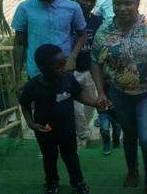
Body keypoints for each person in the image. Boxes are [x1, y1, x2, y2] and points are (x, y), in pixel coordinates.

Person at [91, 0, 147, 194]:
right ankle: (132, 171)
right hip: (121, 94)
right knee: (129, 135)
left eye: (128, 3)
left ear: (137, 3)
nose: (123, 8)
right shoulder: (104, 30)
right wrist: (100, 92)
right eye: (118, 3)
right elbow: (95, 61)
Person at [19, 44, 104, 194]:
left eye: (64, 63)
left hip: (67, 129)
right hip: (45, 130)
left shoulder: (68, 79)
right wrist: (31, 123)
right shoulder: (32, 86)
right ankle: (51, 182)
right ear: (43, 68)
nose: (64, 68)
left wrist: (95, 102)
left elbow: (77, 94)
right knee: (49, 158)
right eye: (59, 66)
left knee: (71, 157)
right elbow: (24, 105)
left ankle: (78, 183)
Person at [12, 0, 86, 87]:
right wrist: (18, 78)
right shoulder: (25, 8)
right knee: (40, 105)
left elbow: (81, 35)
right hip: (36, 72)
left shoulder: (72, 8)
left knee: (64, 102)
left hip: (63, 71)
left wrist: (72, 58)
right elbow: (19, 43)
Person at [73, 0, 104, 149]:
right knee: (75, 109)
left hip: (91, 72)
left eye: (91, 1)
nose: (88, 3)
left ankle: (83, 131)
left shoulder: (98, 21)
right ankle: (82, 135)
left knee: (89, 106)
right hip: (71, 72)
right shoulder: (68, 18)